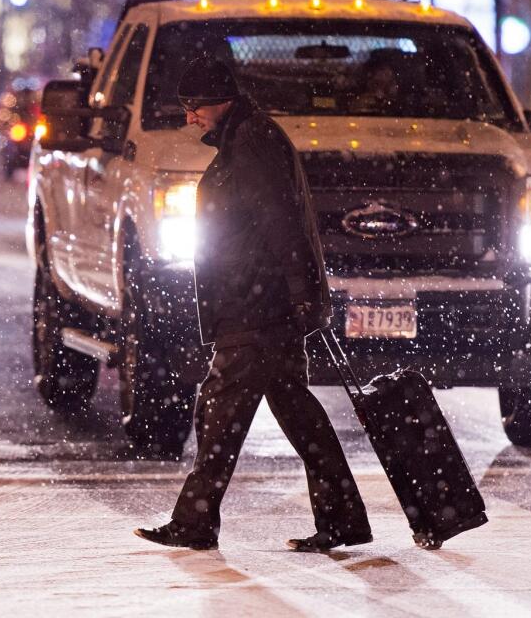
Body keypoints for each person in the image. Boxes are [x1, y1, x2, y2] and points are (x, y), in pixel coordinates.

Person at [134, 56, 372, 553]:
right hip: (264, 300)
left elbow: (280, 221)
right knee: (295, 410)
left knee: (221, 410)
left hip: (257, 304)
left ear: (218, 101)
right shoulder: (247, 138)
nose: (189, 118)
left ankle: (196, 520)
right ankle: (342, 516)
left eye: (193, 108)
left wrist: (299, 292)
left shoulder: (252, 141)